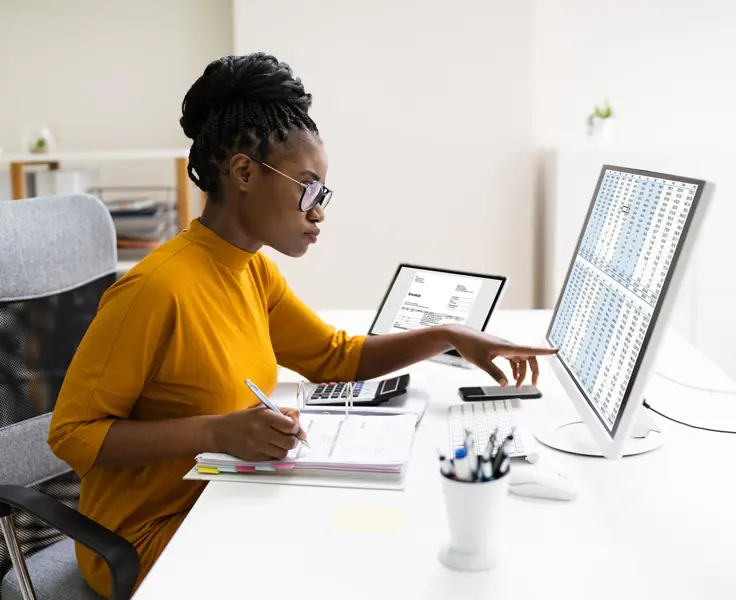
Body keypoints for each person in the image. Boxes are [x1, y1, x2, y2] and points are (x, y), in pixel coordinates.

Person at [48, 52, 557, 598]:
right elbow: (73, 436)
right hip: (149, 539)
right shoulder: (154, 290)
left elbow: (336, 358)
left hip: (225, 500)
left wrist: (449, 335)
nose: (319, 213)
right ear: (244, 173)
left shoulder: (253, 271)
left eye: (324, 195)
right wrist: (218, 432)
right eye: (309, 189)